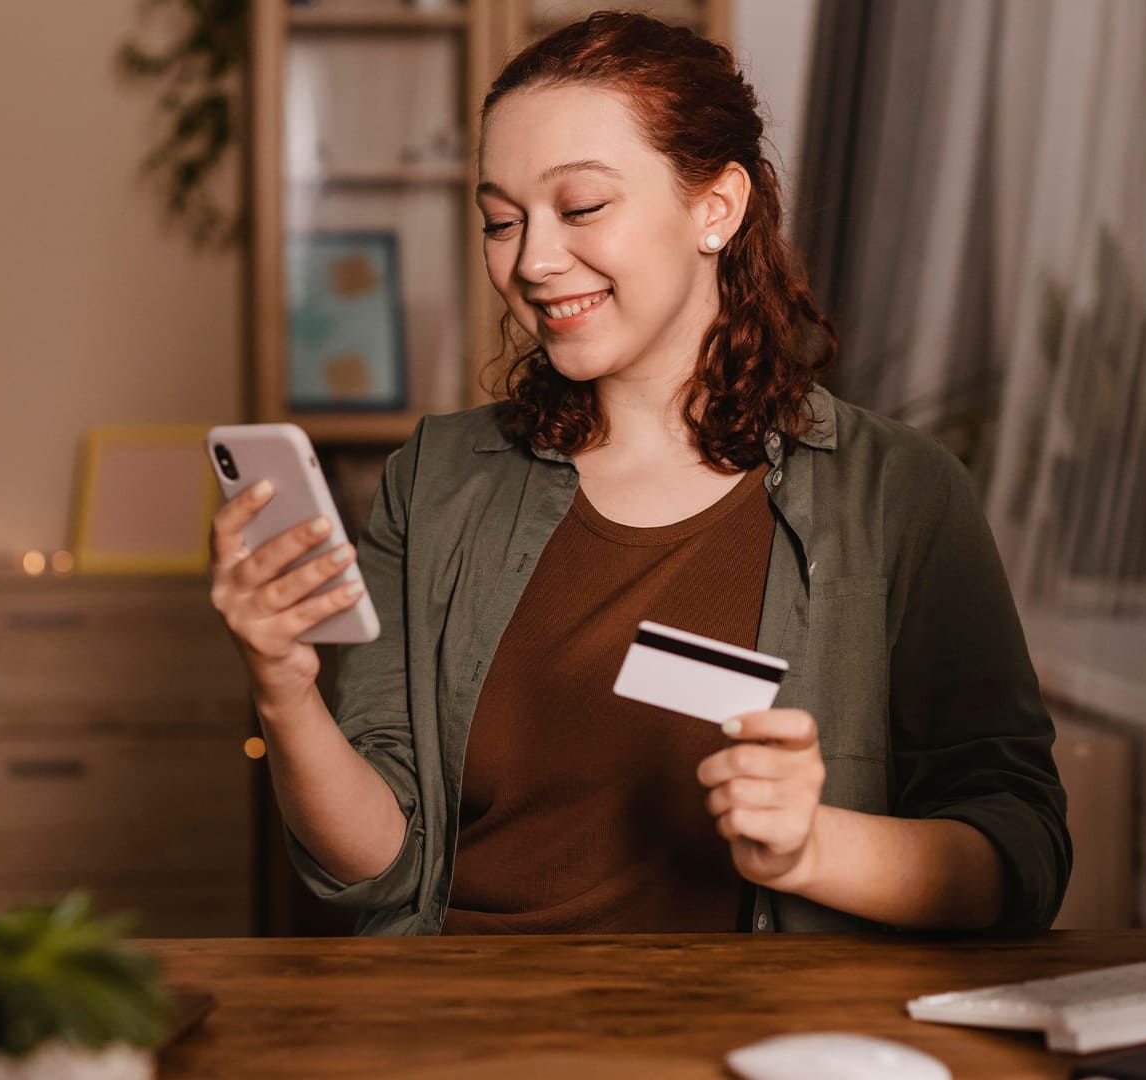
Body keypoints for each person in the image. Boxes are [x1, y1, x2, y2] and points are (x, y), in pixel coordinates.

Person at [209, 12, 1070, 936]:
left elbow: (1021, 854)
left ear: (717, 208)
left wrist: (817, 848)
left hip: (741, 1020)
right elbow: (383, 867)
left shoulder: (897, 494)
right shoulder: (436, 481)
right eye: (501, 221)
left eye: (581, 207)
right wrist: (285, 690)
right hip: (460, 1009)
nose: (534, 261)